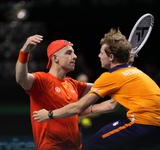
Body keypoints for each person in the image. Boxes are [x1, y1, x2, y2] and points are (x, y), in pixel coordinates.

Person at [32, 29, 160, 150]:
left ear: (111, 57)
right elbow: (112, 105)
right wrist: (89, 110)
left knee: (89, 147)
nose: (98, 56)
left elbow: (78, 107)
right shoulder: (134, 72)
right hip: (155, 130)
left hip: (141, 124)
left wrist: (49, 114)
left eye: (101, 53)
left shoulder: (111, 76)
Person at [15, 34, 93, 150]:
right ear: (55, 58)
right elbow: (21, 79)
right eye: (69, 53)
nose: (75, 56)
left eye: (73, 53)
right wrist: (24, 52)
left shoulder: (73, 84)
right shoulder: (42, 80)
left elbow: (102, 87)